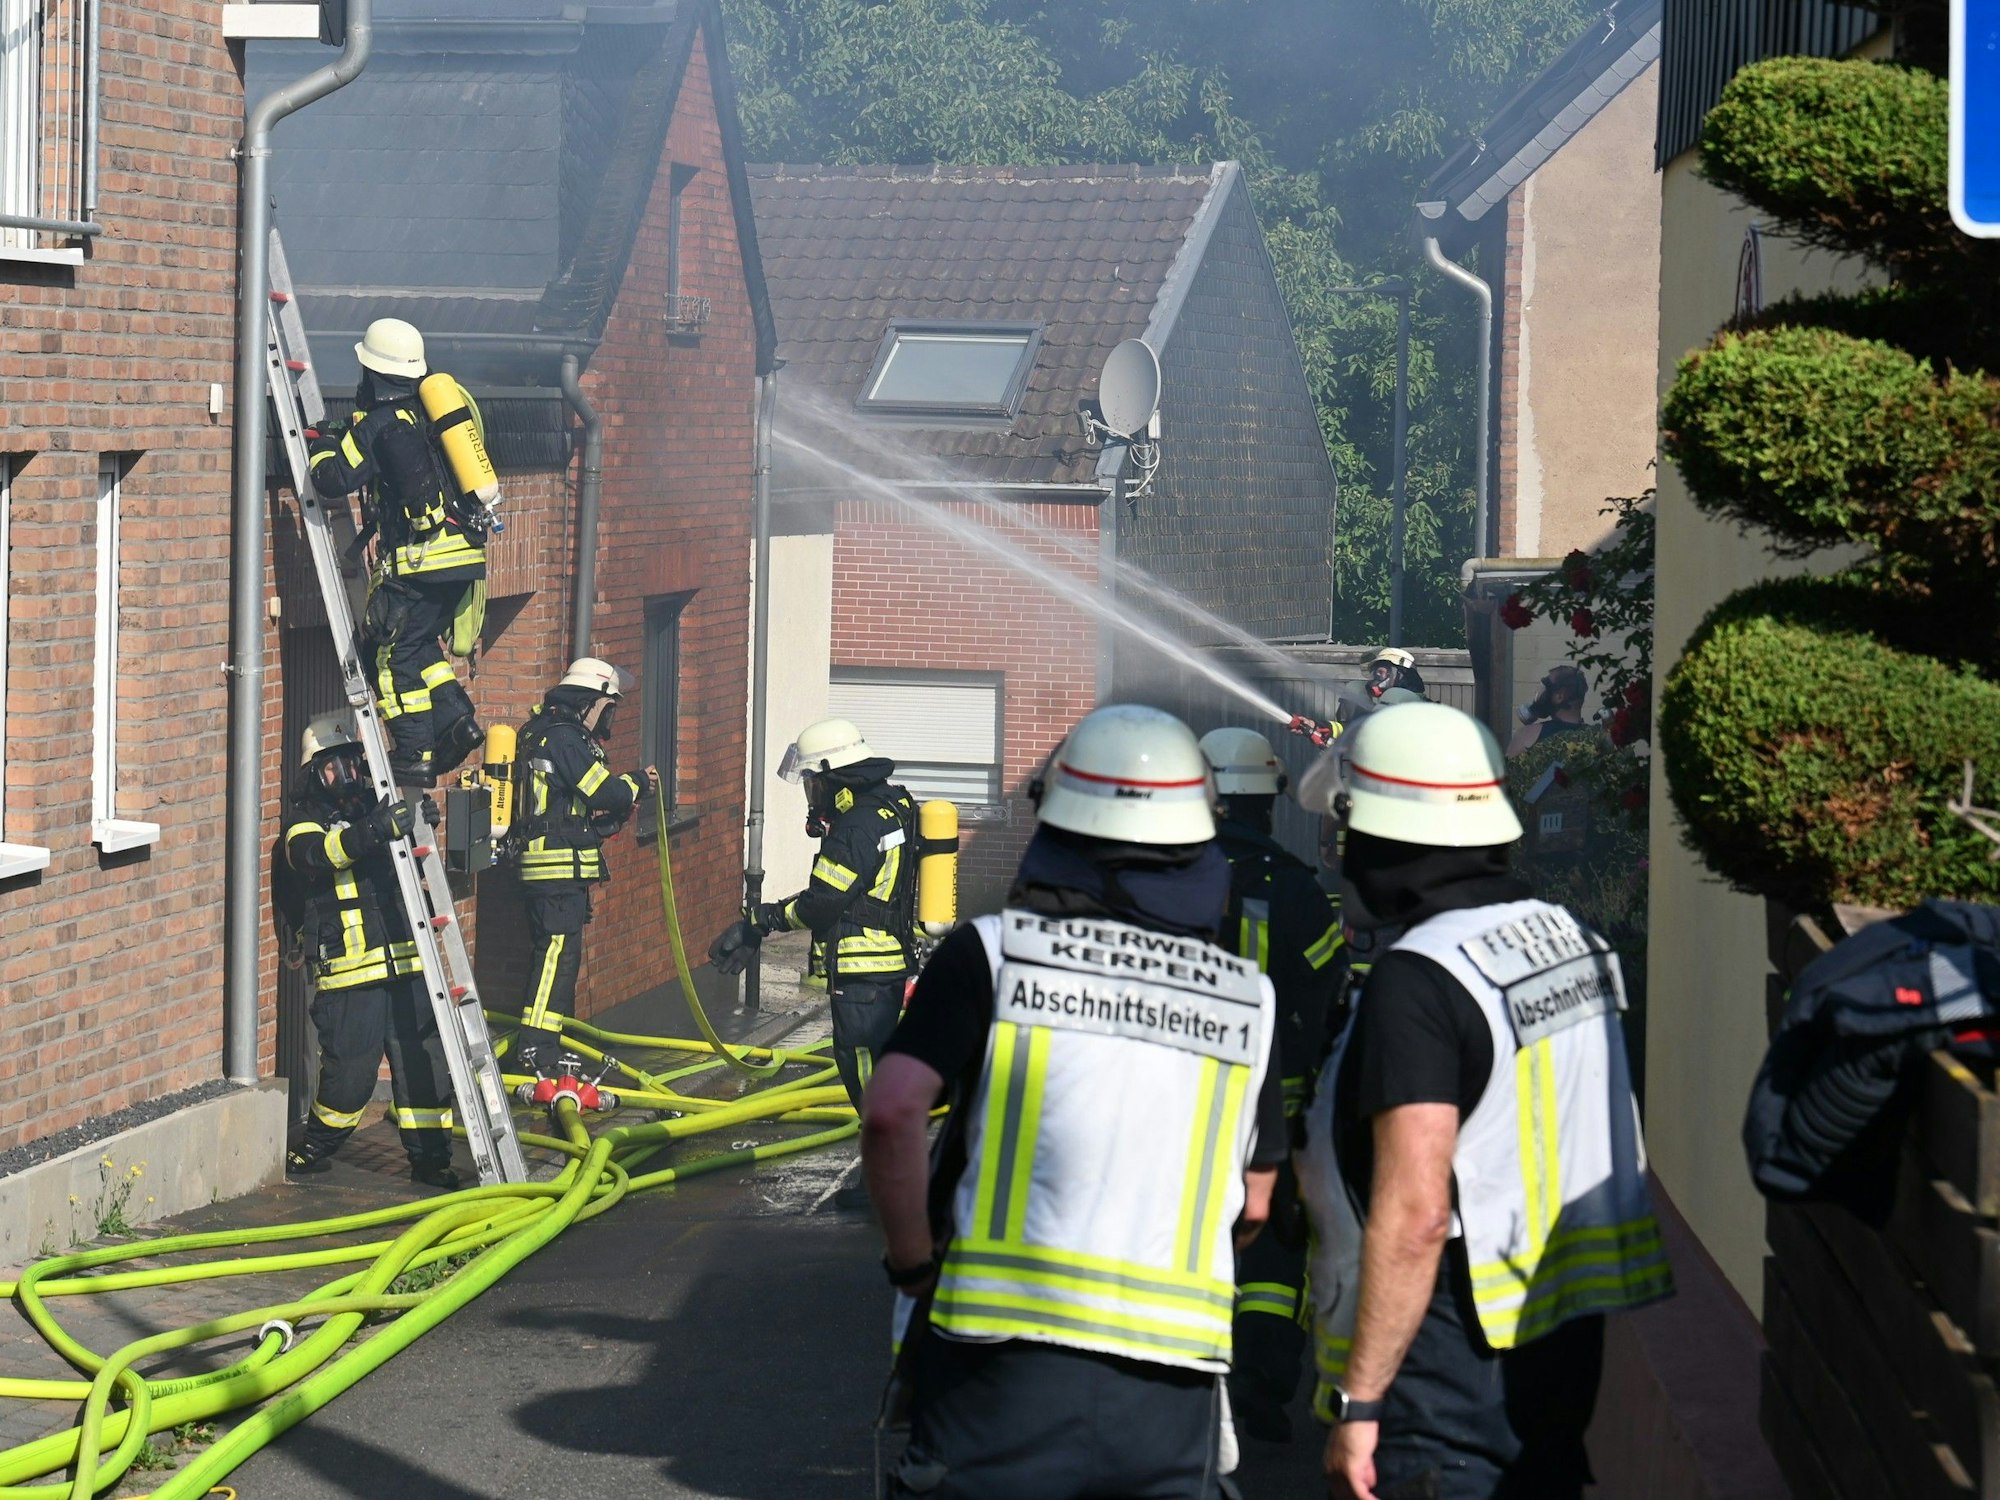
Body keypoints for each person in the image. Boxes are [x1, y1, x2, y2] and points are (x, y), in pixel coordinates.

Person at [861, 704, 1285, 1500]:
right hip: (1174, 1383)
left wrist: (913, 1264)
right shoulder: (1246, 999)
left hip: (1001, 1368)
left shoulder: (994, 953)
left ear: (1057, 827)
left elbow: (891, 1111)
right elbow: (1255, 1202)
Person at [1295, 702, 1672, 1499]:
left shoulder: (1421, 978)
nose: (1339, 857)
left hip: (1441, 1375)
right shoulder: (1571, 941)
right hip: (1556, 1359)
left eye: (1348, 832)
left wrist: (1361, 1404)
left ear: (1388, 836)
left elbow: (1416, 1208)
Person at [1198, 726, 1344, 1445]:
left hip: (1183, 1106)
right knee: (1275, 1255)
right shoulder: (1294, 890)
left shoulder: (1164, 879)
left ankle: (1185, 1377)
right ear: (1270, 798)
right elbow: (1330, 989)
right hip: (1276, 1113)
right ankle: (1259, 1387)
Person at [281, 712, 461, 1188]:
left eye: (351, 764)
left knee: (424, 1065)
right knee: (351, 1074)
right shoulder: (302, 822)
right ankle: (317, 1147)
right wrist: (376, 829)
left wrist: (419, 821)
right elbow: (320, 855)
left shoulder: (377, 806)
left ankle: (431, 1161)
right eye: (333, 767)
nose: (346, 777)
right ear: (313, 773)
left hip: (407, 962)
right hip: (350, 973)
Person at [308, 318, 486, 787]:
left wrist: (325, 443)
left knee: (389, 658)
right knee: (416, 644)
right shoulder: (427, 418)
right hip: (460, 556)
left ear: (375, 374)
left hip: (420, 564)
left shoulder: (383, 424)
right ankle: (455, 722)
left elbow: (332, 480)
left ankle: (415, 751)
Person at [708, 718, 916, 1108]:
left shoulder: (855, 827)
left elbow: (820, 905)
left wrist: (760, 921)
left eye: (812, 782)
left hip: (862, 971)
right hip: (887, 962)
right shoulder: (894, 803)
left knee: (864, 1068)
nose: (810, 792)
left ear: (832, 777)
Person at [512, 659, 657, 1068]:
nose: (607, 717)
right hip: (556, 870)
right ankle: (536, 1047)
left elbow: (564, 804)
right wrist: (638, 783)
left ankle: (546, 1041)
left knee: (559, 956)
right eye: (607, 707)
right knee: (555, 955)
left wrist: (599, 827)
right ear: (590, 702)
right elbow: (604, 792)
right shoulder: (564, 738)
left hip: (552, 866)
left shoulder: (539, 733)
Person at [1506, 663, 1591, 757]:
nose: (1542, 692)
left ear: (1560, 696)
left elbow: (1506, 769)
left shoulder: (1526, 736)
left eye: (1547, 686)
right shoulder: (1595, 740)